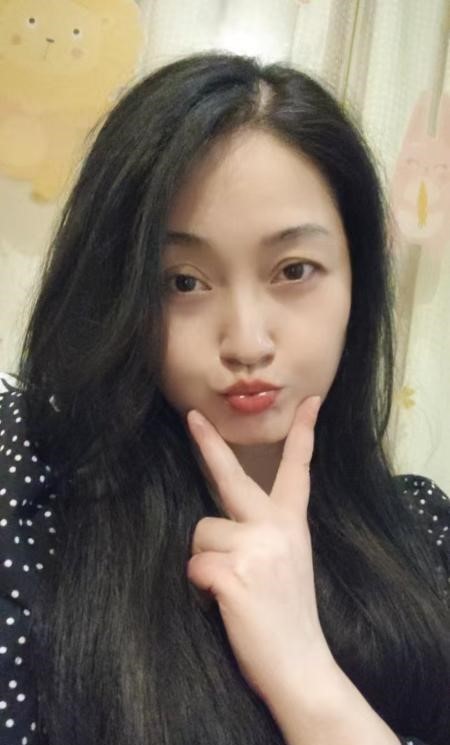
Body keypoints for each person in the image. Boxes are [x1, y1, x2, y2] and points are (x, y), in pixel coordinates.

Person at [0, 50, 448, 745]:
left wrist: (306, 676)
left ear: (357, 282)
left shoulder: (425, 530)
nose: (246, 342)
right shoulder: (33, 496)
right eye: (183, 282)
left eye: (294, 270)